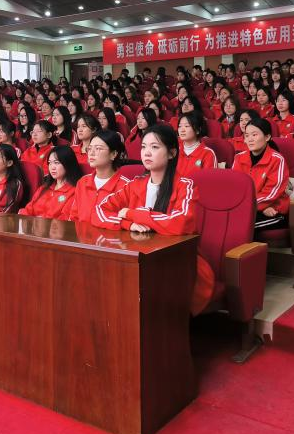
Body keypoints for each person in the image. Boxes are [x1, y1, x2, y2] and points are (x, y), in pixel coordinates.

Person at [92, 125, 214, 315]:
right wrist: (127, 223)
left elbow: (181, 223)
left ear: (172, 153)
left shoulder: (185, 186)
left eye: (155, 147)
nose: (147, 152)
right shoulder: (135, 184)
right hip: (139, 259)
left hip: (179, 264)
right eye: (143, 147)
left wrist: (132, 213)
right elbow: (99, 210)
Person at [231, 118, 289, 230]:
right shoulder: (239, 158)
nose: (250, 139)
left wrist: (246, 205)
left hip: (273, 208)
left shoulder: (277, 160)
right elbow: (234, 187)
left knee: (238, 225)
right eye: (247, 135)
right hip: (247, 207)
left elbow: (271, 194)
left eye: (254, 135)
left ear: (267, 137)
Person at [65, 130, 129, 223]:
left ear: (113, 154)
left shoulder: (126, 187)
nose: (91, 153)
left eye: (98, 148)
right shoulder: (83, 182)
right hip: (81, 232)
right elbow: (74, 217)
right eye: (89, 148)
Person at [19, 145, 81, 219]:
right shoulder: (43, 188)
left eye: (56, 163)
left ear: (68, 163)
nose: (52, 167)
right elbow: (27, 210)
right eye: (50, 163)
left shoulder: (74, 192)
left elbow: (63, 219)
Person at [176, 112, 217, 176]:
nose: (182, 130)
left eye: (187, 126)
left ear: (198, 130)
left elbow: (209, 180)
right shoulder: (175, 151)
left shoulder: (208, 154)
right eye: (180, 126)